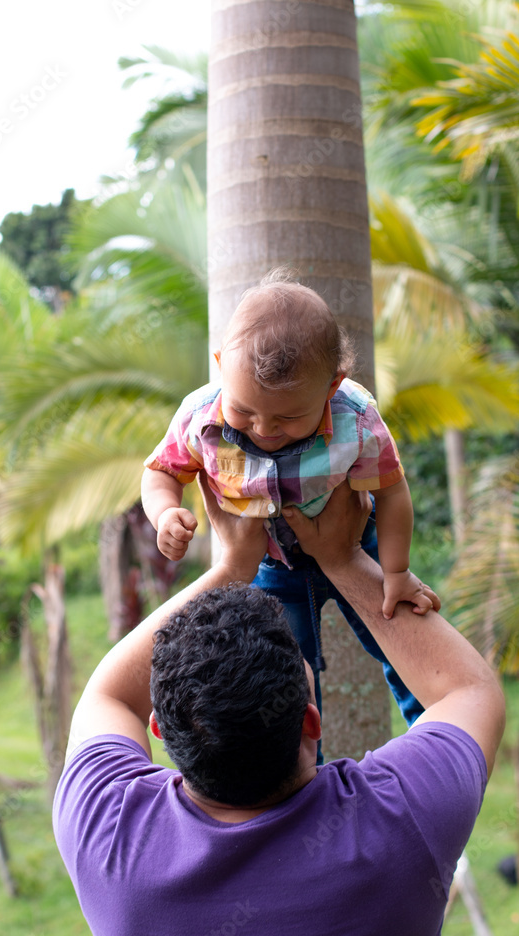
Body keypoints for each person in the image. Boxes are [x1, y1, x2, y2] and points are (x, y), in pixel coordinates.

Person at [53, 476, 505, 936]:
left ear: (160, 730)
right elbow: (469, 691)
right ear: (312, 722)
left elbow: (110, 697)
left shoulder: (105, 838)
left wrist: (229, 568)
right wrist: (344, 560)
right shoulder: (401, 821)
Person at [141, 271, 439, 744]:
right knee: (286, 672)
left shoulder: (356, 419)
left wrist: (397, 572)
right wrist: (164, 513)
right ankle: (302, 770)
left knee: (397, 638)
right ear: (220, 367)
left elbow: (391, 492)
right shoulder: (200, 416)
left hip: (354, 545)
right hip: (271, 566)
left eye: (287, 417)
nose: (263, 428)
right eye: (246, 411)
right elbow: (160, 471)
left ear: (332, 386)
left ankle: (432, 731)